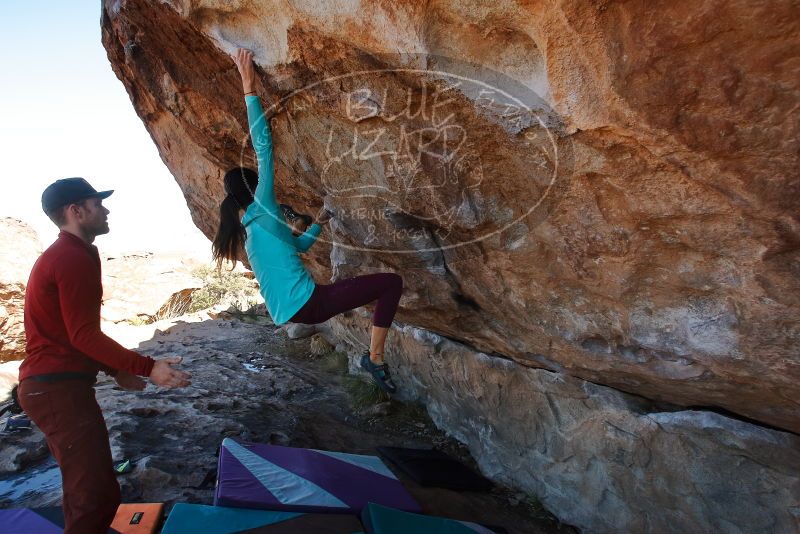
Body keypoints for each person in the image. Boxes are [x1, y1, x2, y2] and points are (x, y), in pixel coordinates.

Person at [213, 48, 403, 393]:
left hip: (293, 314)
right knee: (391, 284)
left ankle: (373, 357)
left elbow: (300, 246)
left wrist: (321, 221)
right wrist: (248, 86)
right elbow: (263, 147)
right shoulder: (264, 205)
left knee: (372, 286)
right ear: (253, 187)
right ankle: (374, 358)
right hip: (310, 304)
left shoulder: (252, 230)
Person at [19, 177, 192, 534]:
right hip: (55, 390)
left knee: (88, 490)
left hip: (57, 387)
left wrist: (116, 371)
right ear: (76, 211)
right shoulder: (68, 257)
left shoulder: (79, 253)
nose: (106, 209)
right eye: (97, 203)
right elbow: (84, 335)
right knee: (94, 496)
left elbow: (71, 333)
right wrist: (147, 367)